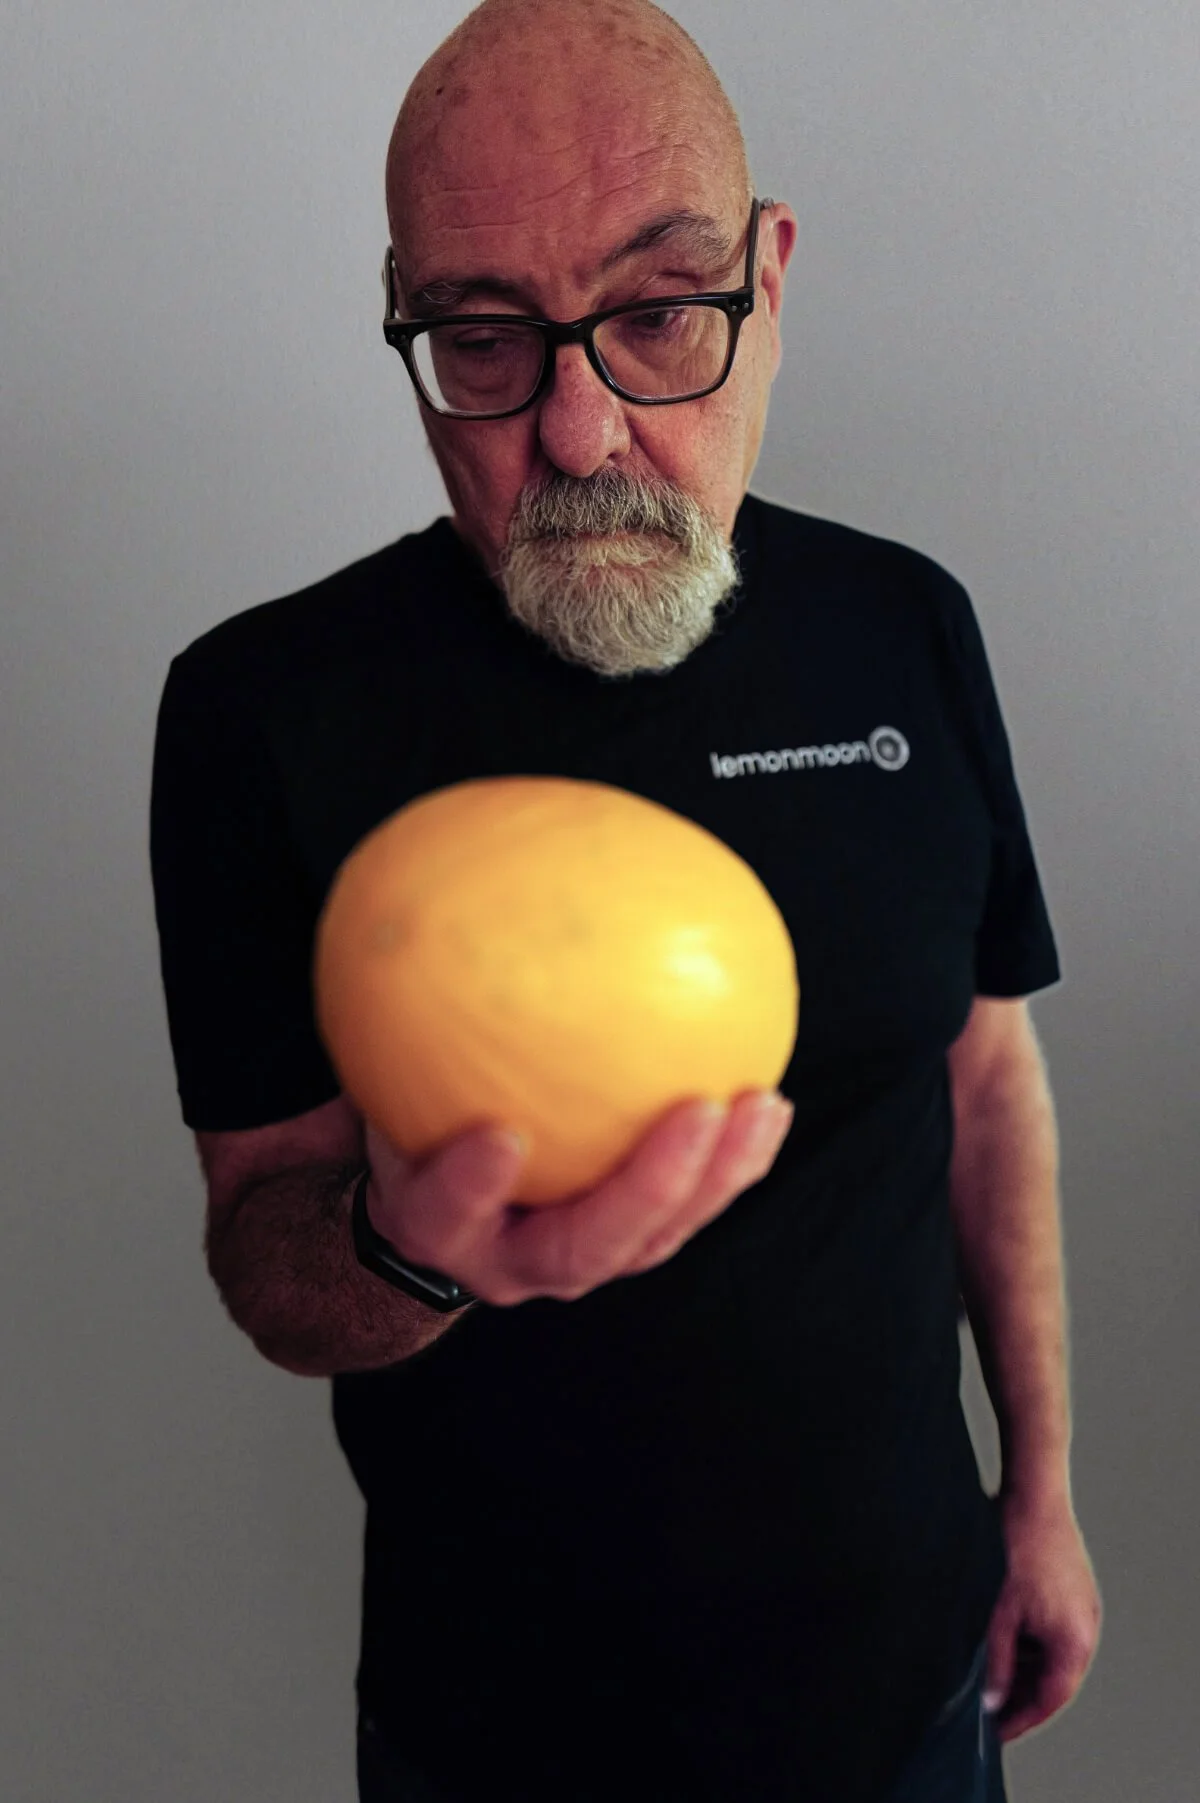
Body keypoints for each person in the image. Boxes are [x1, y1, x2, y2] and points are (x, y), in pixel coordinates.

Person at [148, 2, 1102, 1798]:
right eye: (485, 338)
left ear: (770, 278)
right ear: (406, 326)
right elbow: (265, 1244)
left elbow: (985, 1082)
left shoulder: (904, 626)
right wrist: (413, 1245)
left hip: (911, 1677)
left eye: (660, 315)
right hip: (501, 1728)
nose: (580, 431)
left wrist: (1042, 1494)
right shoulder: (259, 710)